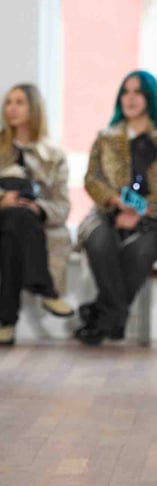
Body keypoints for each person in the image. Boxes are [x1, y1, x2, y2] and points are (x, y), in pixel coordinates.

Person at [75, 71, 157, 345]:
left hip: (152, 219)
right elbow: (92, 179)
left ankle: (101, 317)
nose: (130, 98)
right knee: (98, 240)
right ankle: (113, 318)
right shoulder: (106, 137)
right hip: (107, 213)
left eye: (138, 92)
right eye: (125, 92)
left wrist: (142, 211)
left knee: (142, 249)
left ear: (150, 97)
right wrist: (115, 202)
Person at [0, 83, 73, 345]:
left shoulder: (53, 155)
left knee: (16, 229)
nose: (12, 108)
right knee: (17, 218)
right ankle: (45, 288)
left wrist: (39, 208)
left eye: (19, 102)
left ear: (34, 108)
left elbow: (62, 206)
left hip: (24, 223)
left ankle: (5, 323)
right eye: (9, 102)